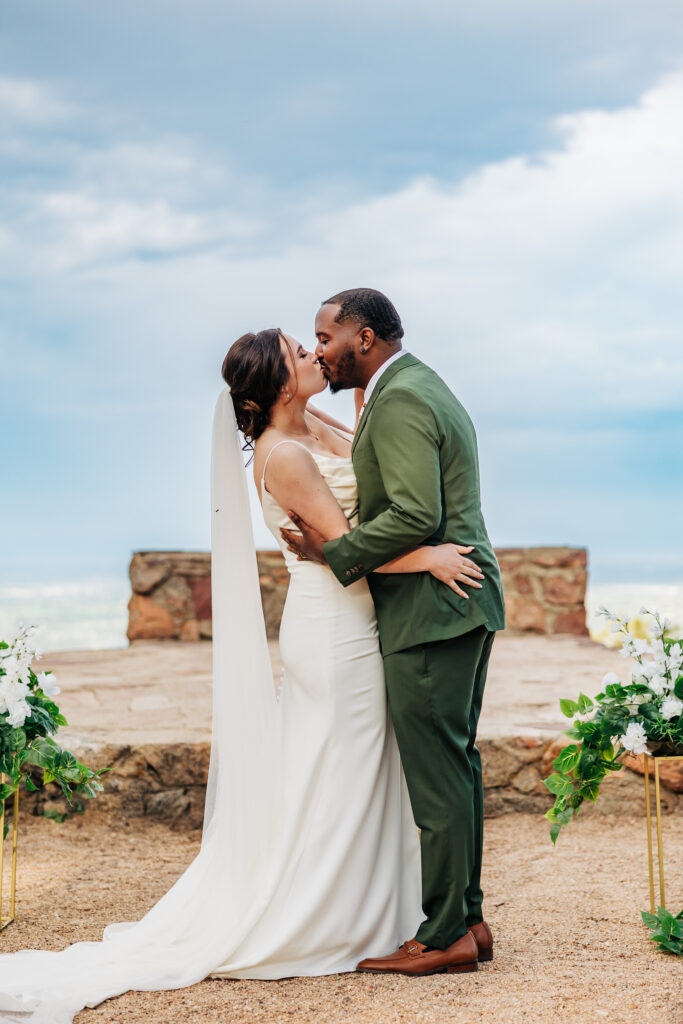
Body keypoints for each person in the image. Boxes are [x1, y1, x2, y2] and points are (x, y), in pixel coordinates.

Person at [0, 325, 484, 1024]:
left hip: (354, 621)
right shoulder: (283, 455)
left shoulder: (313, 421)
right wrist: (430, 559)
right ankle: (320, 914)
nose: (315, 355)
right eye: (300, 352)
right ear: (279, 383)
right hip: (333, 628)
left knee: (349, 768)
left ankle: (376, 907)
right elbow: (344, 549)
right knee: (340, 767)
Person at [282, 288, 506, 977]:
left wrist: (334, 554)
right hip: (450, 605)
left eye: (325, 338)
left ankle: (444, 936)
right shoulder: (408, 386)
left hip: (432, 611)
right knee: (454, 767)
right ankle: (465, 919)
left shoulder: (402, 398)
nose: (318, 349)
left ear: (366, 338)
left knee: (437, 779)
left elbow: (413, 513)